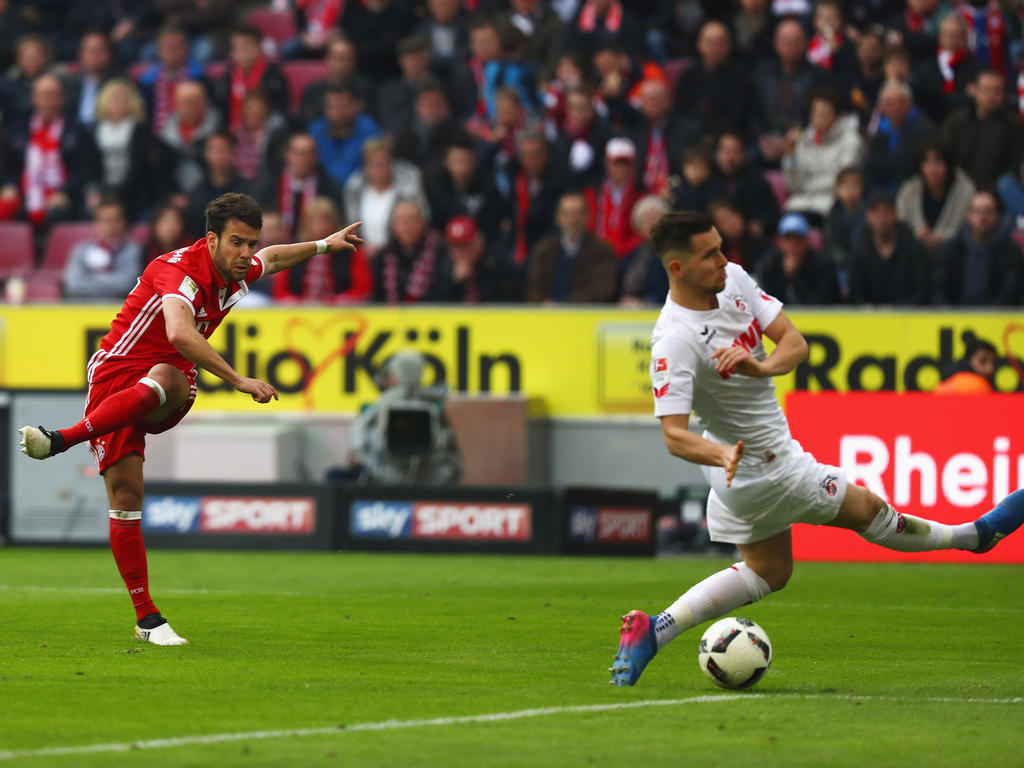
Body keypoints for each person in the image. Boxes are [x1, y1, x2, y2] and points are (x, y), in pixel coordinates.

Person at [608, 210, 1024, 686]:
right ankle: (977, 535)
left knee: (770, 571)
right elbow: (674, 435)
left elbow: (795, 343)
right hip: (767, 469)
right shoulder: (674, 341)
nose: (724, 260)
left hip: (741, 476)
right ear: (677, 269)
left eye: (722, 246)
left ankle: (654, 631)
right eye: (710, 255)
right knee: (869, 510)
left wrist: (762, 368)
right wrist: (720, 455)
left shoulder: (735, 280)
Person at [18, 192, 362, 646]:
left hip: (165, 381)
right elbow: (180, 331)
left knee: (171, 374)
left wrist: (321, 244)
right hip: (115, 377)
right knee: (125, 498)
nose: (246, 254)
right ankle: (147, 620)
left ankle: (60, 439)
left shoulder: (236, 266)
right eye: (237, 243)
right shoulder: (178, 271)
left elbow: (273, 259)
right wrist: (238, 379)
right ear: (211, 239)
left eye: (250, 243)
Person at [347, 349, 462, 485]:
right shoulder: (432, 401)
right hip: (392, 474)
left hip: (421, 475)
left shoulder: (432, 405)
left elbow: (359, 439)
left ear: (393, 375)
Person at [934, 190, 1024, 306]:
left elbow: (1011, 293)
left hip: (998, 318)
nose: (983, 217)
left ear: (998, 215)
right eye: (977, 211)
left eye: (988, 212)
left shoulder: (1010, 251)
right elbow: (940, 290)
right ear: (968, 215)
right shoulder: (951, 249)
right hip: (956, 318)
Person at [61, 196, 143, 301]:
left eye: (115, 220)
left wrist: (90, 279)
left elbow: (126, 284)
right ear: (96, 223)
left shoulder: (133, 250)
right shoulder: (80, 250)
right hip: (83, 309)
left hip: (119, 309)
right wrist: (110, 284)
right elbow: (73, 284)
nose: (111, 225)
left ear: (124, 222)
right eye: (106, 220)